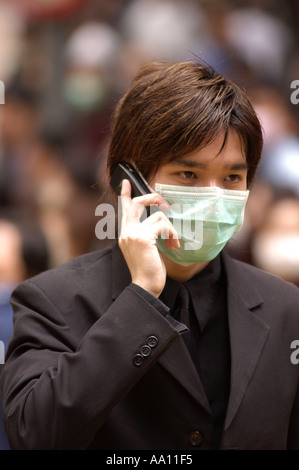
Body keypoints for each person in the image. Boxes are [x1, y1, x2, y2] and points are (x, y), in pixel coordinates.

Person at [1, 60, 299, 451]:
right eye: (188, 175)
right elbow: (34, 434)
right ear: (130, 181)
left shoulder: (286, 308)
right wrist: (140, 298)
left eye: (232, 178)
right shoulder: (52, 301)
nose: (214, 197)